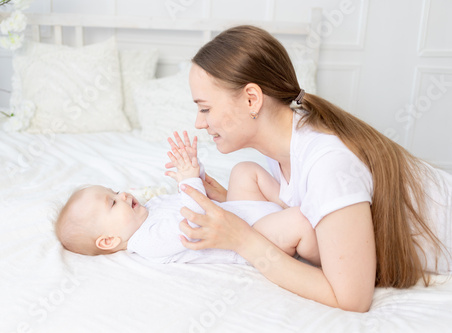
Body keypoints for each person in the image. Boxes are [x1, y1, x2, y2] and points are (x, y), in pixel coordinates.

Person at [176, 25, 452, 312]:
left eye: (205, 108)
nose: (199, 122)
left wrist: (243, 239)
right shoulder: (287, 140)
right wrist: (231, 205)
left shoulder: (328, 162)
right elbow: (309, 209)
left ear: (251, 99)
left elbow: (352, 299)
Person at [54, 135, 320, 266]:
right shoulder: (148, 242)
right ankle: (322, 250)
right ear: (109, 240)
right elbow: (194, 224)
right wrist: (188, 181)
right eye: (112, 203)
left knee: (243, 170)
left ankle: (290, 201)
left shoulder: (150, 209)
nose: (122, 195)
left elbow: (197, 198)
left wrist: (196, 173)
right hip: (253, 237)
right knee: (300, 223)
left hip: (239, 211)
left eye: (114, 191)